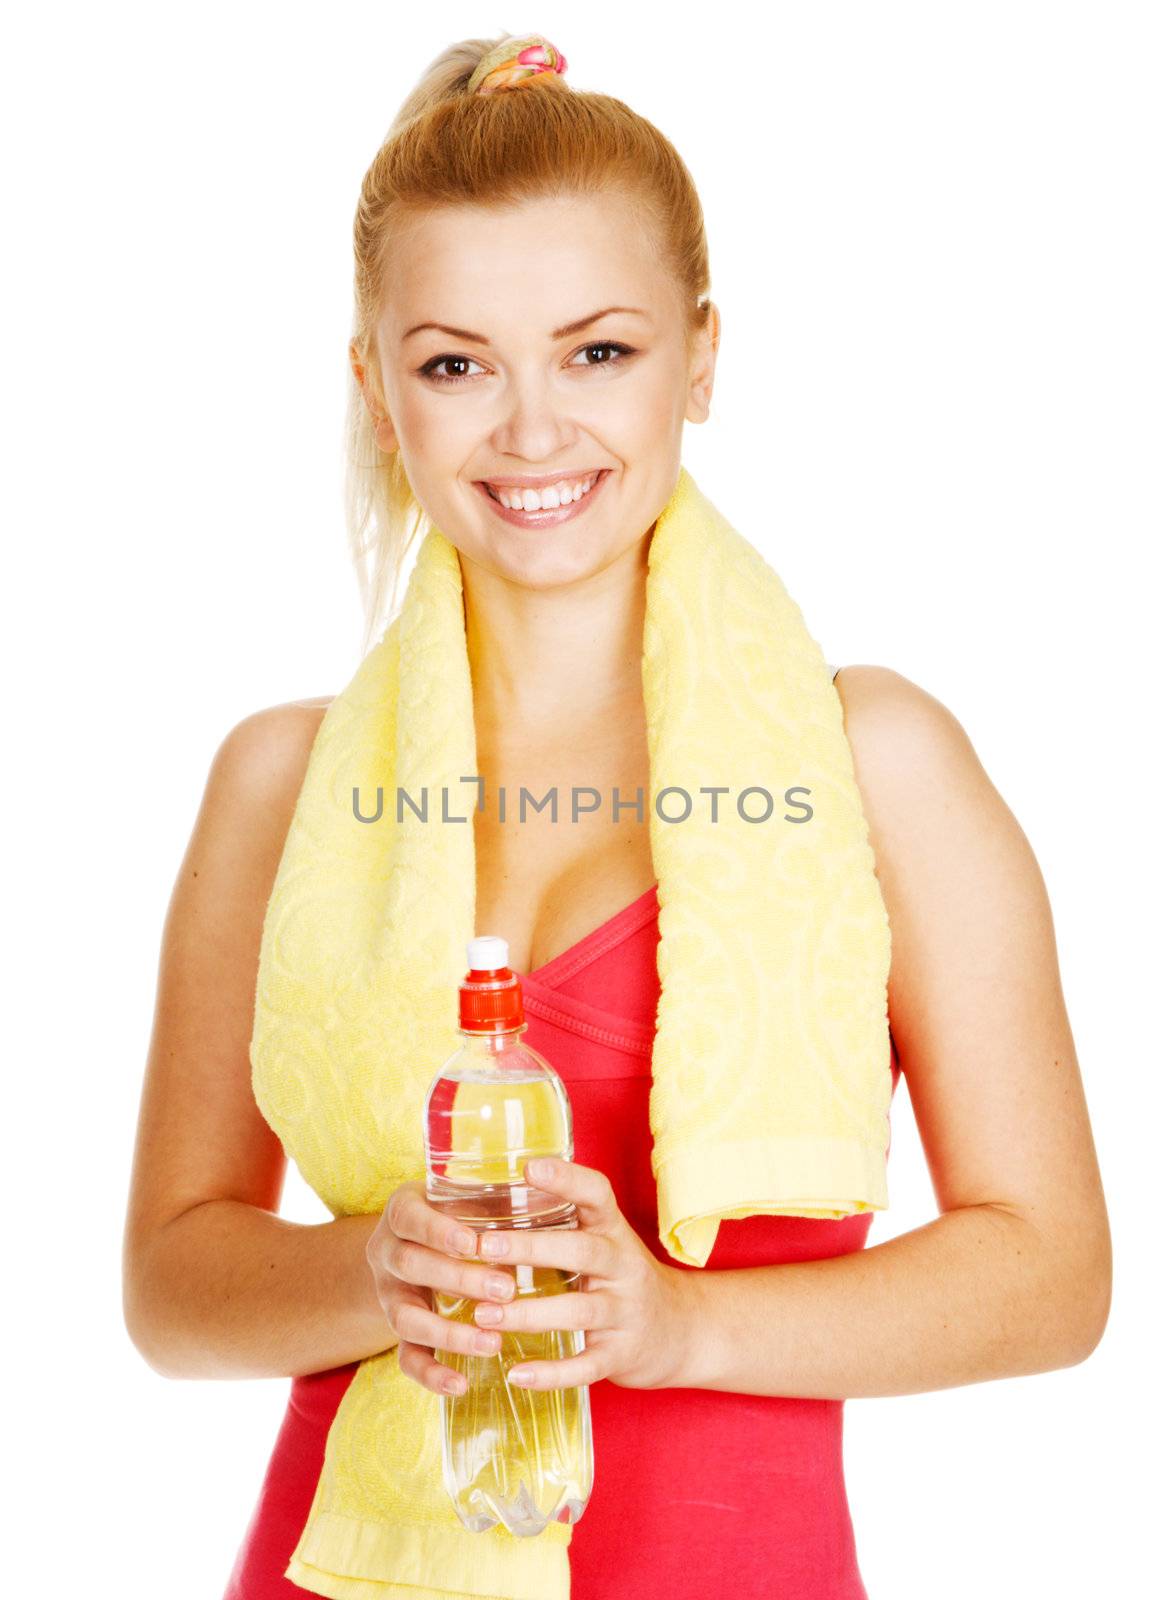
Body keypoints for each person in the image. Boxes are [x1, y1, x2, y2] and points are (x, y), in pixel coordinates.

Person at [121, 31, 1112, 1600]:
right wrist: (369, 1270)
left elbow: (1051, 1277)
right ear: (378, 388)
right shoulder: (281, 785)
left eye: (598, 353)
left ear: (701, 356)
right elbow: (173, 1287)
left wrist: (679, 1324)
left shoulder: (876, 764)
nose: (530, 431)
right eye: (456, 363)